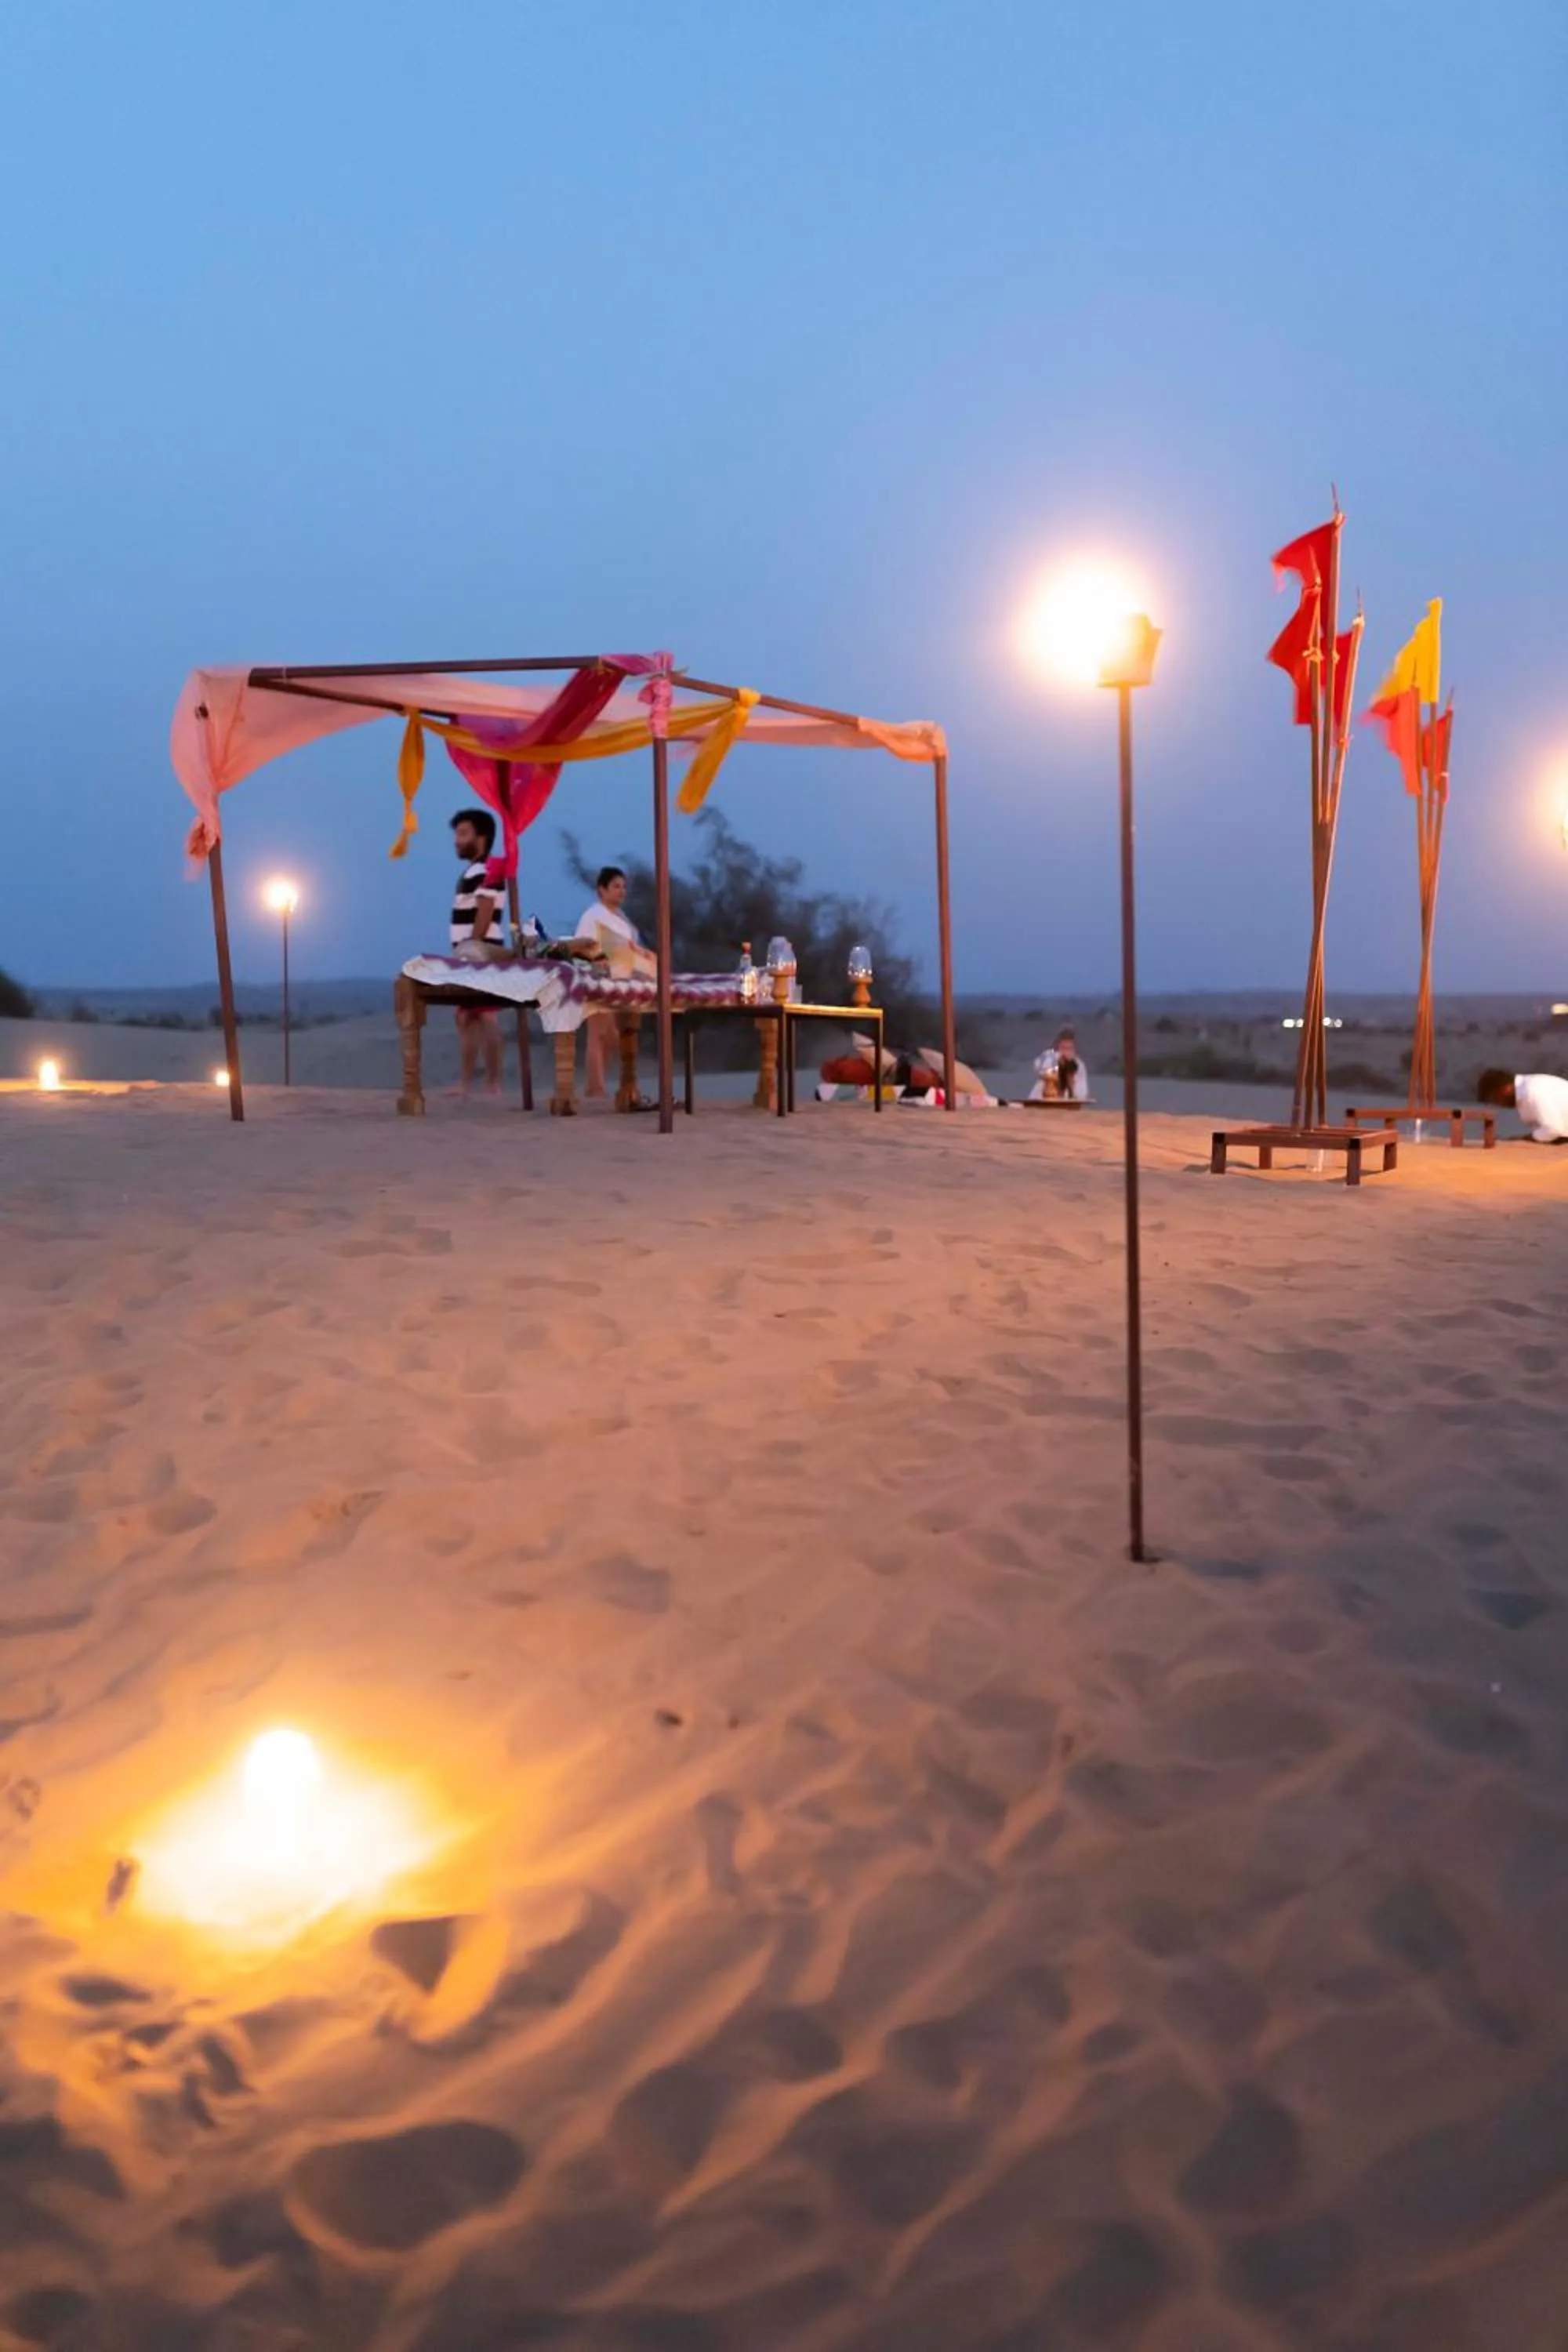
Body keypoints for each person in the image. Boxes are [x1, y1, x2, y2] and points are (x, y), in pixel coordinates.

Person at [448, 808, 508, 1098]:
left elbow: (485, 913)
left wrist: (471, 947)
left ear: (481, 837)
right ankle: (466, 1082)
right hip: (469, 954)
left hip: (480, 954)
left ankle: (492, 1083)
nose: (457, 841)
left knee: (485, 1017)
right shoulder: (472, 871)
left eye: (463, 834)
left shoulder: (489, 869)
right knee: (467, 1018)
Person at [573, 866, 641, 1100]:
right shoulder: (594, 915)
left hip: (620, 984)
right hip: (597, 980)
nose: (621, 891)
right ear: (602, 890)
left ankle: (597, 1084)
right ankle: (595, 1087)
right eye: (616, 886)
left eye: (623, 887)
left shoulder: (620, 917)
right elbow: (581, 947)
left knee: (613, 1036)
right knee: (599, 1033)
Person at [1477, 1067, 1568, 1142]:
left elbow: (1552, 1129)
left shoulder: (1531, 1092)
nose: (1499, 1105)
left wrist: (1524, 1139)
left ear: (1505, 1089)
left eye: (1495, 1099)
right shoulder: (1528, 1087)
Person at [1029, 1025, 1091, 1102]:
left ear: (1074, 1049)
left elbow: (1082, 1093)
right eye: (1064, 1048)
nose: (1066, 1053)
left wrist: (1070, 1072)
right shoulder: (1050, 1056)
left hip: (1067, 1101)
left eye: (1069, 1048)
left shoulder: (1079, 1065)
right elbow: (1036, 1067)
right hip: (1043, 1099)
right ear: (1059, 1047)